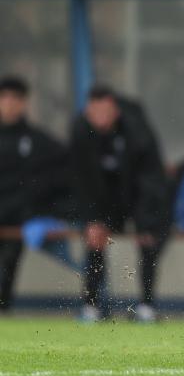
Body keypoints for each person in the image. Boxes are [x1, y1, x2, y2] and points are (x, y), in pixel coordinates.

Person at [70, 85, 169, 322]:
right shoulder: (80, 132)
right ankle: (92, 306)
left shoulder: (137, 130)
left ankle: (146, 306)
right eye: (95, 112)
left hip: (139, 196)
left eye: (105, 111)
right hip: (105, 198)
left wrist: (145, 221)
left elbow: (151, 177)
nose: (100, 118)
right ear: (87, 111)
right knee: (94, 238)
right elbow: (82, 180)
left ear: (115, 111)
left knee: (148, 241)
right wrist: (93, 218)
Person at [0, 76, 70, 313]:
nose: (9, 104)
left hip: (19, 220)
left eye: (15, 99)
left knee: (7, 265)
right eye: (5, 98)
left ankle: (4, 310)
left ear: (24, 104)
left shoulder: (36, 140)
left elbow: (64, 170)